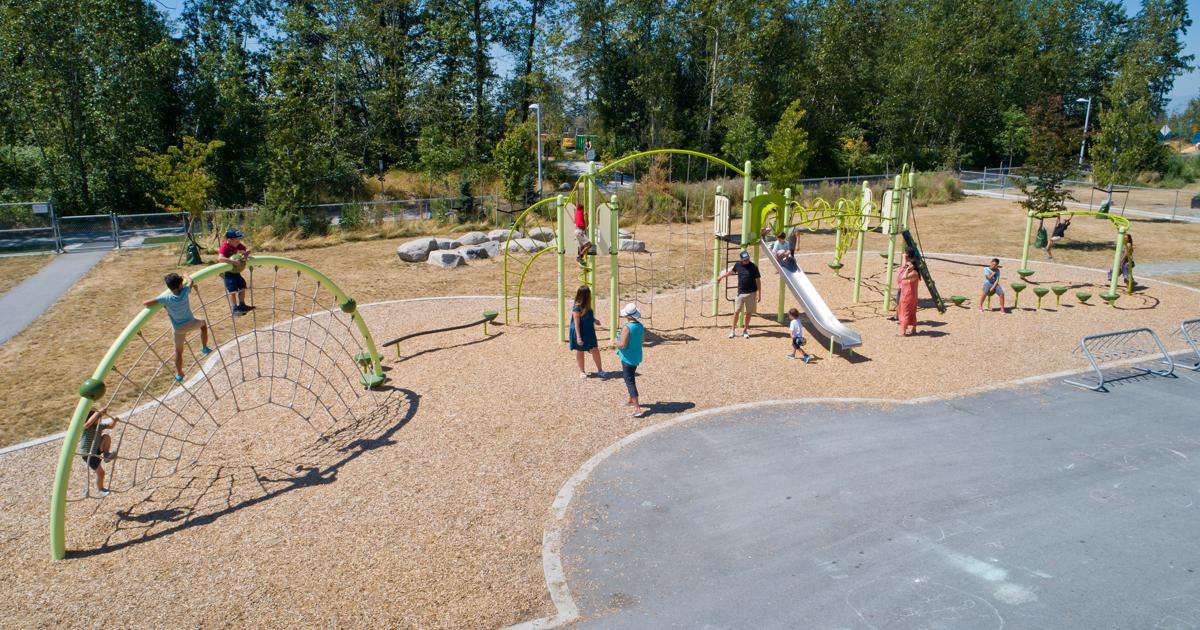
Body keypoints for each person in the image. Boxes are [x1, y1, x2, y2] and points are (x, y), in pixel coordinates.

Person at [144, 272, 211, 382]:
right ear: (180, 285)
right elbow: (190, 281)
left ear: (169, 287)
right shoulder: (185, 292)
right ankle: (204, 347)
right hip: (191, 323)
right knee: (203, 324)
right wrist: (185, 275)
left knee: (178, 352)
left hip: (178, 329)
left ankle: (179, 373)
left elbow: (146, 303)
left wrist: (160, 301)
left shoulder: (166, 298)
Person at [717, 250, 761, 338]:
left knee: (749, 313)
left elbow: (758, 281)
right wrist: (722, 277)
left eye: (747, 259)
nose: (746, 261)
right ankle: (732, 330)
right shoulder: (738, 265)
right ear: (741, 259)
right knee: (736, 312)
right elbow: (732, 272)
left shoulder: (754, 267)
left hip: (751, 293)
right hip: (740, 293)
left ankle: (745, 330)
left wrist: (759, 294)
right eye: (744, 260)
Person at [79, 406, 119, 497]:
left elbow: (111, 426)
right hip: (88, 454)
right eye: (98, 417)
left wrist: (115, 421)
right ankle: (100, 489)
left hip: (96, 450)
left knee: (106, 437)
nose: (100, 418)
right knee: (101, 473)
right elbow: (88, 423)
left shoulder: (99, 426)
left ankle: (106, 455)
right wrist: (98, 412)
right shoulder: (86, 427)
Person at [615, 303, 646, 418]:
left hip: (628, 358)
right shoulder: (640, 326)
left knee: (629, 381)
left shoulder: (627, 327)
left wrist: (614, 341)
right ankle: (631, 400)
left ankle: (637, 408)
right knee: (631, 377)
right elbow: (642, 339)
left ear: (628, 316)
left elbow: (622, 345)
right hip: (636, 356)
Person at [568, 286, 605, 378]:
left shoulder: (587, 305)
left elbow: (587, 316)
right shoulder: (577, 307)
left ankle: (600, 370)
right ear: (585, 295)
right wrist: (578, 337)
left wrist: (594, 320)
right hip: (580, 331)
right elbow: (576, 323)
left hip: (589, 331)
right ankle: (582, 371)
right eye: (589, 294)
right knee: (580, 351)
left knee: (595, 350)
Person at [217, 229, 254, 315]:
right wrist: (233, 262)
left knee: (242, 286)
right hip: (227, 272)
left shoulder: (236, 244)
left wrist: (246, 253)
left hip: (235, 271)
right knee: (232, 291)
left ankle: (242, 305)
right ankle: (234, 308)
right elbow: (220, 258)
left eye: (239, 240)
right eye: (237, 240)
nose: (238, 242)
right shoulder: (225, 246)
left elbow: (247, 249)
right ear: (229, 240)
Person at [895, 248, 920, 336]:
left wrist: (907, 269)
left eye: (909, 265)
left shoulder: (913, 273)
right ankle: (914, 329)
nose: (907, 266)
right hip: (908, 294)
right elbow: (903, 265)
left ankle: (903, 332)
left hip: (908, 296)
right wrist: (905, 261)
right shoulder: (911, 270)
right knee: (911, 312)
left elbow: (904, 277)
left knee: (905, 312)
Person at [573, 196, 593, 268]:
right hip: (579, 231)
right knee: (589, 245)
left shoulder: (578, 212)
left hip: (577, 231)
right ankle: (580, 257)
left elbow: (586, 225)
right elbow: (577, 199)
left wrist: (586, 217)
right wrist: (577, 189)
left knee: (582, 247)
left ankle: (581, 260)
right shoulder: (579, 210)